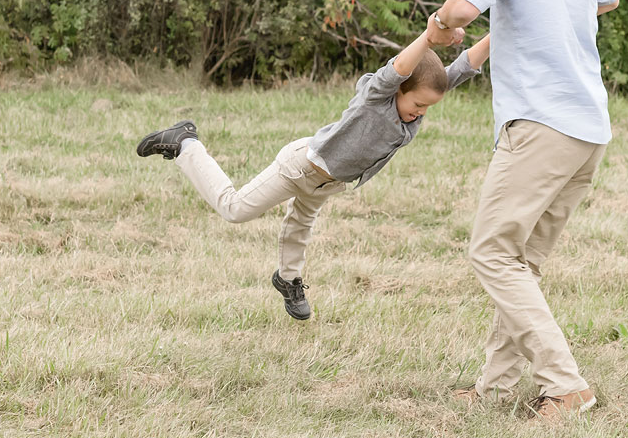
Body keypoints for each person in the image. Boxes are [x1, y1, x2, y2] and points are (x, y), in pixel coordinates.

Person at [427, 0, 620, 421]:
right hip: (589, 128)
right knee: (522, 261)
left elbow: (462, 8)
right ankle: (494, 387)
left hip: (540, 123)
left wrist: (444, 25)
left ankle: (566, 386)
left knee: (490, 250)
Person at [135, 29, 489, 320]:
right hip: (300, 166)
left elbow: (462, 66)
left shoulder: (415, 103)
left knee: (300, 226)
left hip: (329, 182)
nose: (421, 113)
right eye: (418, 105)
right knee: (235, 209)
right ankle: (186, 143)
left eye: (427, 108)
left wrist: (500, 33)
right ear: (399, 89)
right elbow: (397, 68)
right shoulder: (375, 96)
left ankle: (288, 280)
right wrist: (430, 36)